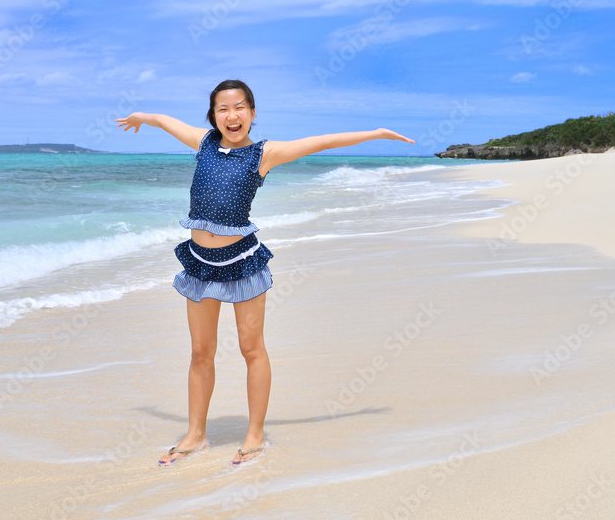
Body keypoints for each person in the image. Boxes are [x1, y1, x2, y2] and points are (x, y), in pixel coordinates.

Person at [116, 80, 414, 466]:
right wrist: (142, 117)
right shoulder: (203, 142)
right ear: (213, 116)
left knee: (250, 348)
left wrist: (376, 133)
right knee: (200, 352)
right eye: (222, 109)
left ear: (252, 113)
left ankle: (254, 434)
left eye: (239, 107)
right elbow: (162, 119)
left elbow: (321, 142)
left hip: (243, 261)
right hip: (200, 263)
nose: (231, 115)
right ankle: (195, 435)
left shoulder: (264, 153)